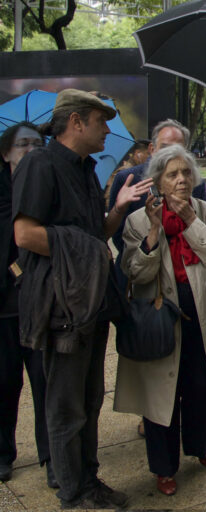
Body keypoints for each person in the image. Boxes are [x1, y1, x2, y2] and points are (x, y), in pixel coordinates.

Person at [12, 89, 153, 509]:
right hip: (60, 304)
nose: (107, 129)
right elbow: (25, 235)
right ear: (76, 122)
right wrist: (78, 242)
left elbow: (97, 236)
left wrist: (118, 209)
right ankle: (74, 491)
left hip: (91, 300)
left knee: (90, 399)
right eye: (100, 120)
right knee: (66, 404)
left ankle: (88, 479)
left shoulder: (87, 169)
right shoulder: (40, 164)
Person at [114, 145, 206, 497]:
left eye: (186, 173)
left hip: (204, 319)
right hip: (159, 322)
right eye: (172, 174)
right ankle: (163, 467)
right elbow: (134, 273)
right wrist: (154, 234)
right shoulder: (138, 220)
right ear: (157, 181)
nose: (182, 180)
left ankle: (199, 446)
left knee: (202, 390)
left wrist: (190, 222)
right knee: (162, 398)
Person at [0, 122, 57, 489]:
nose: (30, 149)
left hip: (41, 303)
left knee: (46, 385)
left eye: (37, 143)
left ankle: (51, 457)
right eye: (22, 144)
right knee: (4, 384)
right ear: (5, 152)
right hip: (3, 307)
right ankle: (3, 454)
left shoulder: (47, 188)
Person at [109, 119, 206, 291]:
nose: (171, 154)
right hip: (140, 276)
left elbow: (203, 227)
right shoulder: (128, 179)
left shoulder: (195, 182)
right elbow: (118, 234)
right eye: (165, 147)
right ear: (152, 149)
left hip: (183, 277)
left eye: (178, 148)